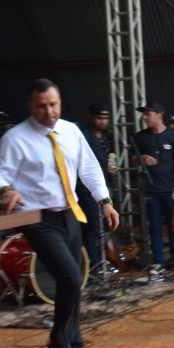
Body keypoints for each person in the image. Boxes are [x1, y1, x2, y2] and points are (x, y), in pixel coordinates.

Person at [0, 79, 119, 348]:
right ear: (30, 106)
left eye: (53, 104)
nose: (48, 111)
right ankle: (59, 340)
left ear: (60, 103)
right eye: (41, 106)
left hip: (70, 214)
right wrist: (6, 190)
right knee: (70, 278)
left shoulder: (71, 131)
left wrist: (105, 201)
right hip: (38, 219)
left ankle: (75, 343)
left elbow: (89, 168)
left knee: (73, 282)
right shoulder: (15, 138)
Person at [133, 101, 174, 275]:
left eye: (148, 114)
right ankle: (159, 262)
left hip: (171, 189)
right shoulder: (140, 137)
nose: (145, 117)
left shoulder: (173, 135)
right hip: (151, 190)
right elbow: (132, 160)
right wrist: (143, 159)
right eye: (144, 114)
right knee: (154, 226)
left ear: (159, 115)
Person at [76, 103, 114, 270]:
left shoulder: (106, 137)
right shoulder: (83, 135)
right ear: (91, 116)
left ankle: (101, 261)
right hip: (86, 190)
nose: (103, 122)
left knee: (103, 227)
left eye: (106, 118)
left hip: (104, 187)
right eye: (99, 117)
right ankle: (93, 266)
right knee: (91, 228)